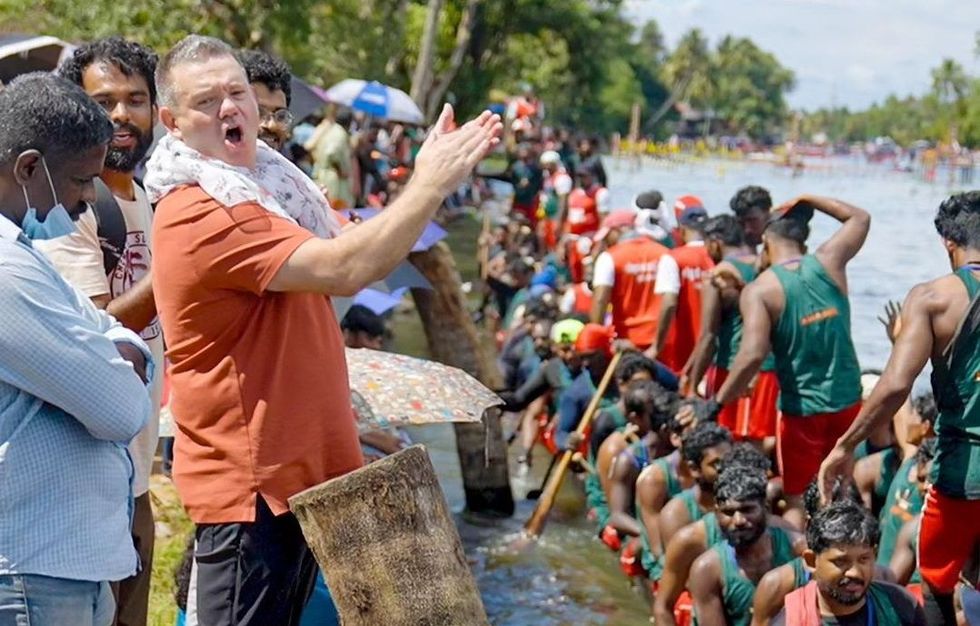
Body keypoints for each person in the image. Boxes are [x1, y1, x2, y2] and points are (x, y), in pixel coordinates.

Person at [146, 35, 500, 625]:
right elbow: (347, 268)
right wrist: (430, 184)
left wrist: (417, 184)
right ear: (173, 121)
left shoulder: (269, 187)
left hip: (301, 483)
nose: (230, 108)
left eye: (238, 93)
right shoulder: (203, 210)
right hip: (252, 491)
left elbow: (359, 243)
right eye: (207, 101)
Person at [0, 72, 152, 626]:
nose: (90, 199)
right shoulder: (7, 271)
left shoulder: (24, 255)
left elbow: (116, 336)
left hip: (58, 566)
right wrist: (118, 356)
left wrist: (117, 347)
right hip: (30, 572)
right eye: (81, 180)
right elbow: (117, 409)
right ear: (29, 168)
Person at [819, 191, 980, 624]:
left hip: (964, 470)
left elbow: (894, 386)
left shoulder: (934, 298)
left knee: (937, 583)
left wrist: (844, 445)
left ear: (949, 243)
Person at [52, 37, 164, 626]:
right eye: (104, 100)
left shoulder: (152, 198)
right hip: (86, 476)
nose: (121, 115)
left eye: (136, 99)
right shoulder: (72, 208)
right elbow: (91, 337)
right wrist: (178, 270)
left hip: (138, 475)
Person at [702, 195, 869, 527]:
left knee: (798, 497)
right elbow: (860, 217)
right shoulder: (829, 260)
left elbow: (751, 356)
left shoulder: (760, 290)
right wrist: (812, 198)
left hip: (801, 412)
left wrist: (717, 402)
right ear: (801, 241)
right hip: (849, 402)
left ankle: (804, 565)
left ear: (765, 241)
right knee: (843, 484)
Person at [685, 215, 779, 446]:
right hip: (770, 370)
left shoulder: (718, 276)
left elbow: (708, 337)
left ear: (715, 242)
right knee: (760, 437)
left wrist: (692, 385)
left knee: (733, 440)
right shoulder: (765, 265)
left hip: (736, 370)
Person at [773, 501, 925, 625]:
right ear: (811, 561)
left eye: (864, 559)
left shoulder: (900, 607)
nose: (855, 572)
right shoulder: (791, 621)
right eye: (841, 561)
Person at [688, 464, 803, 626]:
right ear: (716, 513)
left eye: (747, 510)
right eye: (728, 512)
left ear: (766, 508)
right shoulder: (707, 569)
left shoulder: (797, 548)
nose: (738, 521)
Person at [590, 208, 672, 351]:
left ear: (621, 230)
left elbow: (600, 300)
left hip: (625, 343)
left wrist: (596, 341)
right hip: (663, 342)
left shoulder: (609, 257)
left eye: (608, 236)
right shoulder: (665, 254)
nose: (606, 243)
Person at [650, 199, 714, 374]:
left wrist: (657, 346)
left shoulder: (674, 258)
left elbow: (669, 303)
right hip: (715, 353)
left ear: (682, 230)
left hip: (683, 351)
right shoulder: (719, 255)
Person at [657, 424, 735, 547]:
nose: (727, 468)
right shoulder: (676, 514)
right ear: (694, 469)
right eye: (716, 464)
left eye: (730, 460)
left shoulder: (745, 500)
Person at [236, 49, 293, 152]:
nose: (271, 125)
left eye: (281, 116)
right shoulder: (204, 166)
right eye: (258, 112)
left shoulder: (288, 167)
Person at [310, 109, 355, 209]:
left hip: (323, 172)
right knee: (336, 209)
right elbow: (332, 152)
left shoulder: (331, 130)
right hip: (333, 177)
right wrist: (340, 169)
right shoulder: (340, 134)